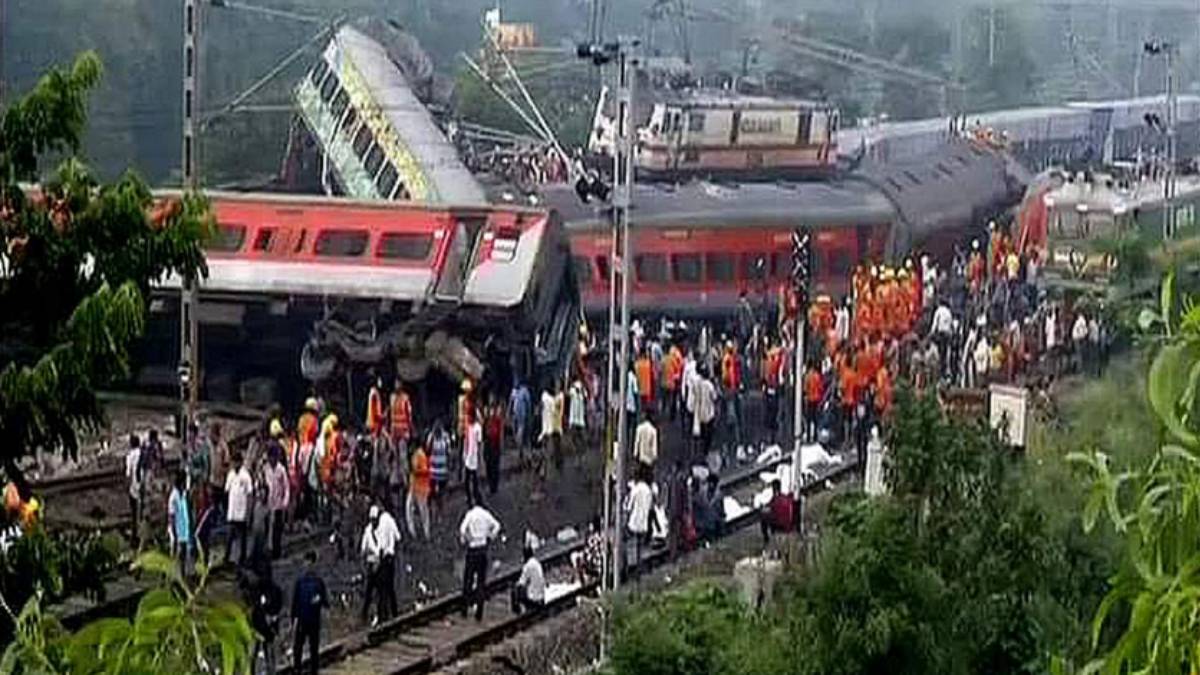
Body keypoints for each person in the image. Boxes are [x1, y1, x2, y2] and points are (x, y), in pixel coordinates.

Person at [459, 497, 502, 621]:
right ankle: (479, 612)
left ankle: (464, 609)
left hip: (472, 550)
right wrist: (490, 536)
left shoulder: (470, 515)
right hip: (483, 549)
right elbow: (497, 525)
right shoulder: (485, 514)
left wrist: (467, 539)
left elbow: (462, 530)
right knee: (481, 582)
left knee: (468, 579)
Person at [291, 550, 328, 675]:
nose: (307, 565)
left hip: (313, 620)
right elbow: (295, 603)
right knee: (298, 647)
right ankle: (297, 669)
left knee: (313, 648)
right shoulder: (300, 582)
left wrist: (319, 600)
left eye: (309, 563)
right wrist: (293, 620)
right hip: (302, 619)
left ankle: (313, 670)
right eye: (306, 563)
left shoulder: (318, 582)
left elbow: (325, 601)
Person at [250, 566, 283, 675]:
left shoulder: (272, 590)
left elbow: (278, 608)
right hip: (258, 627)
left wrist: (273, 617)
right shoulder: (257, 590)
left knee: (267, 654)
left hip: (266, 629)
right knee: (256, 655)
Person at [224, 452, 253, 567]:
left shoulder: (245, 476)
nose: (235, 464)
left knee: (242, 538)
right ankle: (227, 557)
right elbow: (227, 490)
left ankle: (243, 558)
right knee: (229, 536)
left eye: (237, 462)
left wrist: (248, 512)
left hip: (242, 511)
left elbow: (250, 494)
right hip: (232, 511)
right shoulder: (231, 475)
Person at [624, 467, 654, 579]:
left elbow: (628, 507)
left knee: (631, 547)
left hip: (633, 523)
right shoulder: (648, 490)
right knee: (641, 549)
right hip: (644, 524)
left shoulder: (635, 490)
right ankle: (639, 571)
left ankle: (631, 570)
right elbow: (651, 508)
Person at [264, 449, 289, 559]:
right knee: (267, 528)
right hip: (268, 503)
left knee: (277, 530)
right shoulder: (265, 469)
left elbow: (286, 487)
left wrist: (285, 502)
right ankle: (267, 550)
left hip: (278, 504)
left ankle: (276, 551)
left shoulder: (281, 470)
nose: (271, 460)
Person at [167, 469, 191, 575]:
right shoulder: (173, 497)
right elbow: (171, 516)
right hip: (176, 529)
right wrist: (174, 532)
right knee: (174, 555)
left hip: (184, 528)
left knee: (183, 553)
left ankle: (182, 573)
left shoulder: (184, 494)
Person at [407, 442, 431, 540]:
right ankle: (412, 532)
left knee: (423, 512)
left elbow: (425, 471)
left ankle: (426, 533)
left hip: (421, 488)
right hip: (413, 487)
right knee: (408, 508)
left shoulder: (420, 455)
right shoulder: (414, 455)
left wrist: (416, 471)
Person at [511, 544, 546, 614]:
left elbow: (521, 582)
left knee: (515, 589)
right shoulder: (537, 562)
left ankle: (518, 610)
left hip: (533, 597)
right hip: (541, 595)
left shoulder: (527, 566)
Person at [759, 479, 792, 548]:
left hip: (780, 524)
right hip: (788, 523)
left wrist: (763, 508)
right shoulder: (784, 497)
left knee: (763, 517)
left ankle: (766, 539)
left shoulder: (776, 498)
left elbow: (771, 508)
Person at [125, 433, 143, 548]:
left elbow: (128, 475)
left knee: (134, 514)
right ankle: (142, 536)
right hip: (144, 487)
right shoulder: (143, 453)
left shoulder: (130, 456)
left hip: (134, 488)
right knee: (142, 513)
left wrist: (128, 488)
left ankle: (135, 538)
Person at [483, 397, 504, 495]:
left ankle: (494, 485)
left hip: (495, 445)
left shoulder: (497, 419)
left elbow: (500, 432)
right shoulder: (487, 419)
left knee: (495, 466)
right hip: (488, 444)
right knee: (489, 466)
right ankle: (491, 484)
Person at [463, 412, 483, 506]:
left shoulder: (477, 428)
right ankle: (469, 498)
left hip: (474, 456)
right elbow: (466, 440)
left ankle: (477, 498)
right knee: (467, 480)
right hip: (468, 456)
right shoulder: (469, 427)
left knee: (474, 480)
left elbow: (479, 443)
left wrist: (479, 458)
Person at [633, 410, 658, 476]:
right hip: (649, 458)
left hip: (641, 457)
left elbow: (637, 442)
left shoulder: (639, 428)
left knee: (640, 474)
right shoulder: (653, 430)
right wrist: (654, 457)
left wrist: (635, 453)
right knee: (648, 474)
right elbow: (654, 446)